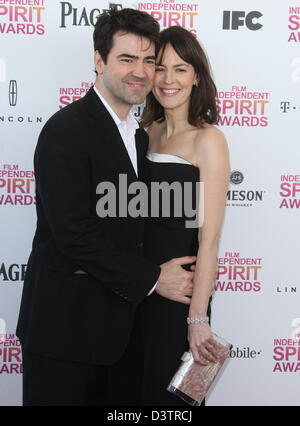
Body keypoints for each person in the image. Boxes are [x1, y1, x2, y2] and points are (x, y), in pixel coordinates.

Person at [16, 9, 197, 406]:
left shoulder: (138, 137)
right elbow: (73, 233)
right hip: (65, 333)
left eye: (148, 61)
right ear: (99, 61)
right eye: (127, 59)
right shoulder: (67, 130)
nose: (141, 72)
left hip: (120, 335)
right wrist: (154, 278)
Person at [138, 26, 230, 405]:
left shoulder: (208, 139)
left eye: (180, 68)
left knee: (171, 404)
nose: (168, 79)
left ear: (196, 77)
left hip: (179, 300)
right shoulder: (144, 131)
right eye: (160, 67)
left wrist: (197, 318)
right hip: (138, 288)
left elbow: (209, 238)